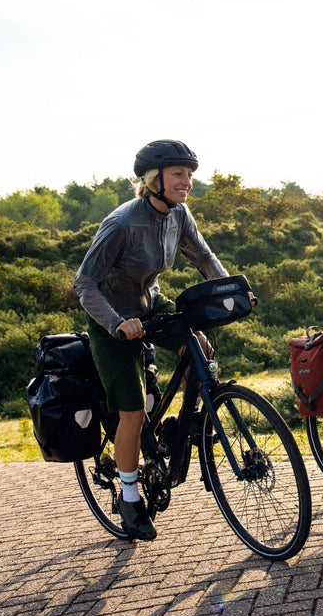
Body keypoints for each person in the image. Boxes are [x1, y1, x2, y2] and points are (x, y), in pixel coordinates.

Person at [74, 139, 233, 541]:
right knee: (131, 411)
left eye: (190, 175)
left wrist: (230, 290)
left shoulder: (179, 214)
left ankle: (185, 428)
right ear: (152, 179)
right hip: (111, 316)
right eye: (179, 174)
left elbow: (203, 257)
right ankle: (128, 497)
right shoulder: (123, 223)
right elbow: (85, 284)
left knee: (201, 351)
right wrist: (116, 323)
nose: (187, 183)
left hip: (151, 304)